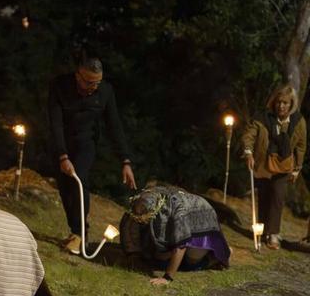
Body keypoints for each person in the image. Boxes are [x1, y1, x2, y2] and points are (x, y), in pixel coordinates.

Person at [48, 55, 136, 255]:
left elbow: (114, 125)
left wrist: (125, 160)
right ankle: (75, 231)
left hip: (86, 143)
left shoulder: (104, 91)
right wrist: (62, 156)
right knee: (65, 186)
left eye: (97, 82)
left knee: (80, 177)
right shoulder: (60, 86)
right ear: (78, 75)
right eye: (89, 82)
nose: (93, 87)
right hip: (61, 142)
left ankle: (81, 235)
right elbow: (55, 122)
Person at [120, 185, 231, 285]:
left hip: (200, 220)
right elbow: (128, 225)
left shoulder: (179, 211)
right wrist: (132, 253)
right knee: (161, 261)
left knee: (192, 260)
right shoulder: (140, 201)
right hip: (172, 214)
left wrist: (167, 277)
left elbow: (180, 245)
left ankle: (213, 258)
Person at [242, 85, 307, 250]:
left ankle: (273, 234)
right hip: (263, 164)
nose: (281, 106)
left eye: (285, 103)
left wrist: (297, 168)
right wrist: (248, 153)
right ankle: (262, 231)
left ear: (291, 104)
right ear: (274, 102)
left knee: (277, 198)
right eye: (279, 102)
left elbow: (300, 145)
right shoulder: (262, 117)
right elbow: (249, 135)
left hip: (284, 166)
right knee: (264, 197)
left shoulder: (298, 121)